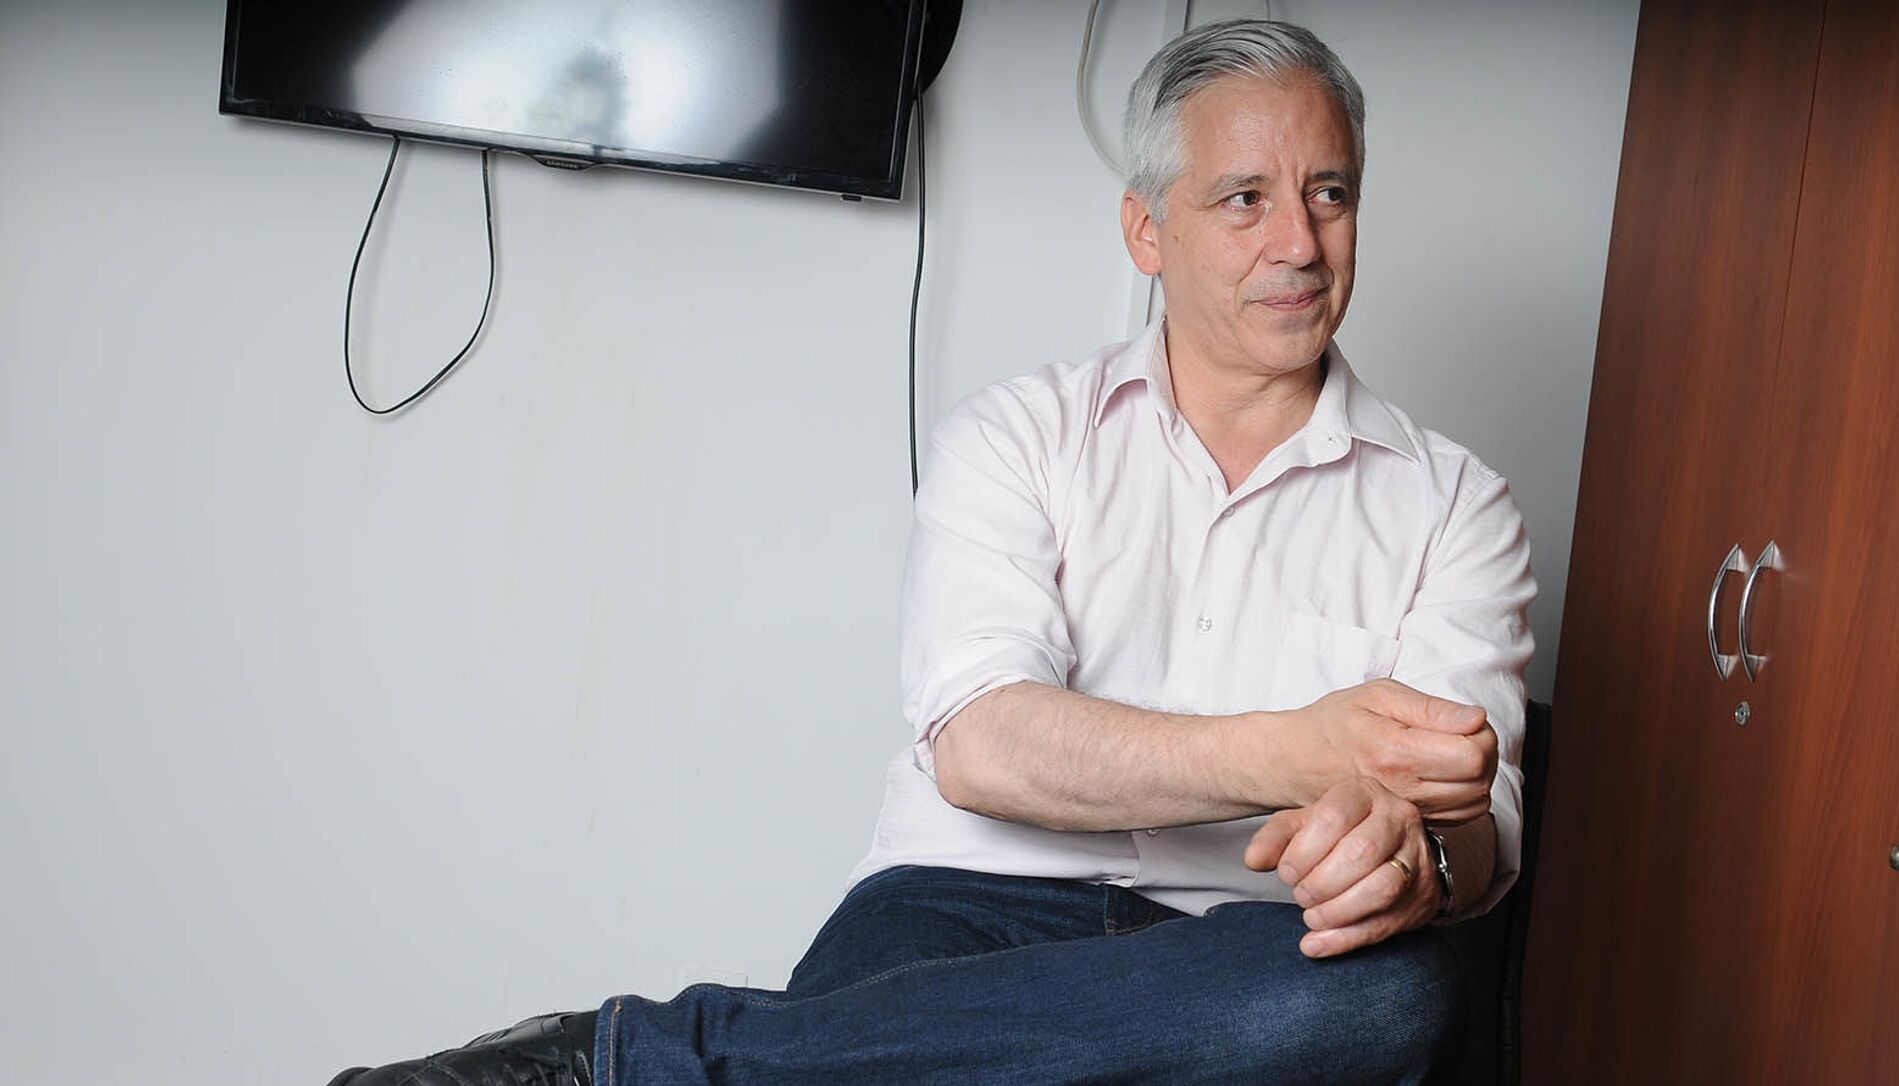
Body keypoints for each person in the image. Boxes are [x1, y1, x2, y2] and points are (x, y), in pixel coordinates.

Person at [331, 18, 1535, 1086]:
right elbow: (984, 748)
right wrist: (1297, 750)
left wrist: (1419, 863)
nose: (1300, 244)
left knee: (1394, 995)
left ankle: (615, 1065)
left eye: (1329, 194)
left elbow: (1479, 828)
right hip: (958, 909)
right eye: (1244, 199)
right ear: (1147, 230)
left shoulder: (1455, 507)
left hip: (1245, 945)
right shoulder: (1016, 437)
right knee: (895, 999)